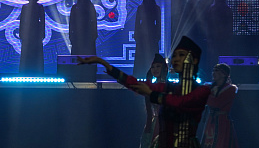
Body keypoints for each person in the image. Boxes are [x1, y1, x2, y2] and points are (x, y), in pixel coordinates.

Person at [78, 36, 211, 148]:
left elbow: (181, 102)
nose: (176, 59)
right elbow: (134, 83)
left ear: (194, 60)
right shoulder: (167, 88)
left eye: (181, 55)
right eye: (175, 55)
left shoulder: (202, 90)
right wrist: (103, 63)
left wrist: (152, 94)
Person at [200, 63, 239, 148]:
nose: (213, 73)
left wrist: (205, 95)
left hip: (222, 122)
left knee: (221, 143)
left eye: (216, 71)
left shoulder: (231, 89)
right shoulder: (209, 87)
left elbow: (217, 103)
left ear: (224, 74)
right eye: (213, 71)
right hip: (211, 120)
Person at [69, 0, 98, 81]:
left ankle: (89, 73)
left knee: (88, 55)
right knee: (77, 56)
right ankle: (76, 74)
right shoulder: (75, 8)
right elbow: (71, 23)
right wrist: (71, 36)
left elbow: (94, 22)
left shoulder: (90, 7)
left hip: (88, 36)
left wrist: (94, 34)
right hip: (77, 36)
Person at [140, 54, 168, 148]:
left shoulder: (170, 87)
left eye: (158, 66)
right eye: (153, 67)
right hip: (154, 124)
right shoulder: (150, 88)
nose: (155, 69)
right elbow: (149, 113)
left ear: (164, 68)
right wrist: (148, 127)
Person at [201, 0, 233, 73]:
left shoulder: (212, 9)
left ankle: (214, 73)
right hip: (221, 38)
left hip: (216, 38)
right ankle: (221, 73)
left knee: (215, 57)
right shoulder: (226, 9)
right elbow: (230, 24)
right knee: (221, 57)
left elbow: (208, 24)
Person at [133, 0, 161, 77]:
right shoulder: (140, 8)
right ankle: (139, 75)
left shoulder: (156, 8)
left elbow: (159, 23)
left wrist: (158, 36)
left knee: (152, 56)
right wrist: (136, 35)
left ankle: (153, 75)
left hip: (152, 33)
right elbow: (137, 22)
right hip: (142, 34)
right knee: (141, 56)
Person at [19, 0, 45, 75]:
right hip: (27, 33)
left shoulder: (40, 7)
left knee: (36, 53)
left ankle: (37, 72)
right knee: (26, 53)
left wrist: (42, 33)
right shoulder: (25, 7)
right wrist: (21, 33)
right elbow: (22, 21)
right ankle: (25, 72)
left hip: (36, 32)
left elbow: (43, 21)